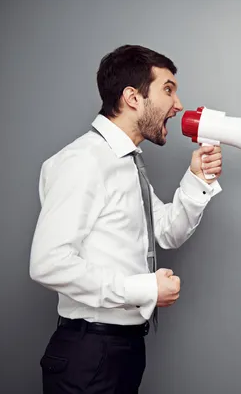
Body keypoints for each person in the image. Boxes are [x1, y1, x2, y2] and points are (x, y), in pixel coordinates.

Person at [29, 44, 223, 394]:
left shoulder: (127, 162)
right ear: (133, 97)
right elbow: (47, 263)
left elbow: (164, 232)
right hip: (90, 352)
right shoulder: (84, 161)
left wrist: (197, 180)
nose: (178, 105)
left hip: (122, 349)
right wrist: (143, 288)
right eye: (168, 90)